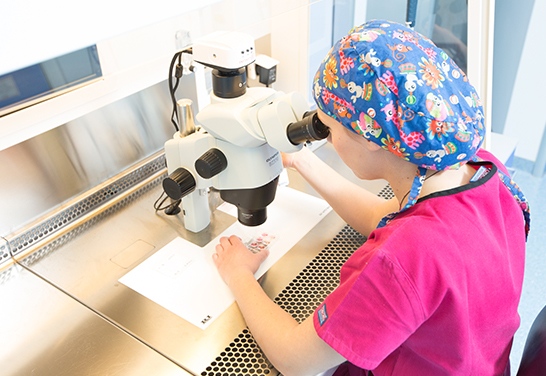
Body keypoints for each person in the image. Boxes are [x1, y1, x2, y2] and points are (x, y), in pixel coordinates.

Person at [212, 19, 530, 375]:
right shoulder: (482, 171)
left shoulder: (406, 258)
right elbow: (388, 216)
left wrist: (239, 273)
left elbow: (293, 358)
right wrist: (303, 162)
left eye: (327, 129)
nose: (325, 139)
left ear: (368, 136)